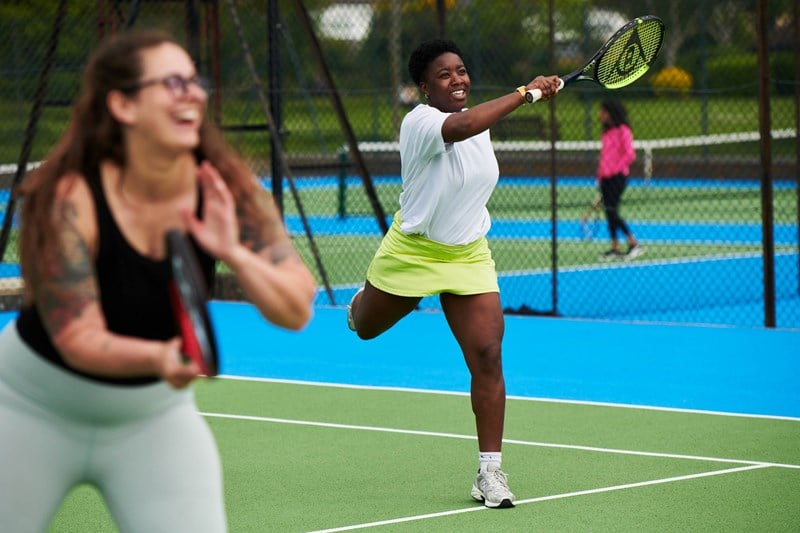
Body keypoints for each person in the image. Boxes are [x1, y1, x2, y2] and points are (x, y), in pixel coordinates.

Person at [0, 30, 316, 532]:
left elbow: (297, 307)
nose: (192, 93)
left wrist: (231, 250)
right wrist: (157, 357)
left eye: (195, 81)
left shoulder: (225, 188)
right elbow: (79, 337)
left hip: (151, 416)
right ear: (123, 105)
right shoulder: (68, 197)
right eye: (172, 82)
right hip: (29, 406)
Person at [346, 38, 560, 509]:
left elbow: (473, 125)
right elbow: (462, 126)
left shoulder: (478, 124)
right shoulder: (420, 121)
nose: (457, 79)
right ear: (425, 87)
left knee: (487, 353)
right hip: (413, 251)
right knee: (364, 328)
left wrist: (525, 97)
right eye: (444, 75)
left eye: (461, 71)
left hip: (468, 254)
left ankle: (490, 473)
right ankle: (361, 301)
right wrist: (526, 93)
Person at [596, 98, 643, 261]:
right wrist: (601, 176)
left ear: (610, 113)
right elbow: (604, 157)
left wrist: (614, 170)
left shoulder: (623, 130)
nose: (600, 115)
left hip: (618, 177)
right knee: (609, 212)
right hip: (605, 179)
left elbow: (630, 154)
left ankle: (633, 243)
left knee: (612, 210)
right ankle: (615, 247)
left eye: (603, 112)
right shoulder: (606, 132)